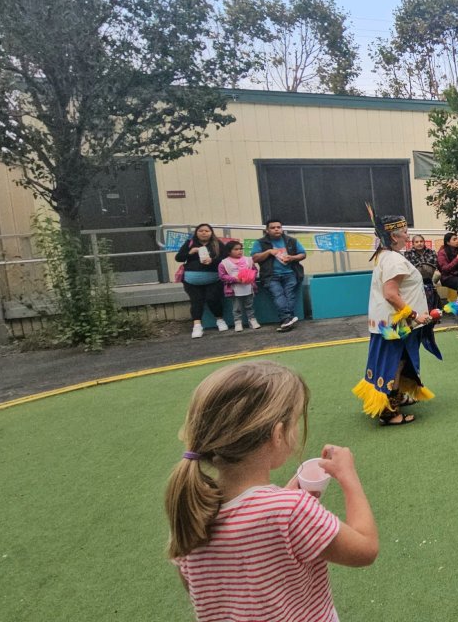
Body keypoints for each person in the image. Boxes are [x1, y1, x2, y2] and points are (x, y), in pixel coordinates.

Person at [165, 361, 378, 621]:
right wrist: (348, 476)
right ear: (278, 434)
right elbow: (365, 549)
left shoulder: (192, 512)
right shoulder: (291, 511)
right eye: (295, 420)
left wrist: (283, 497)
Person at [351, 214, 438, 426]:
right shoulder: (393, 260)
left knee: (400, 360)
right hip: (395, 324)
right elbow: (391, 294)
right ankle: (389, 412)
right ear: (393, 236)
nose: (408, 236)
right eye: (406, 232)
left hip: (391, 323)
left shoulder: (386, 255)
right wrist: (415, 315)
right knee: (396, 363)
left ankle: (394, 398)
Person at [250, 220, 306, 332]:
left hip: (290, 273)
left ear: (282, 228)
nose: (276, 229)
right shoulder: (260, 243)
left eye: (279, 227)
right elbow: (254, 258)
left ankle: (286, 320)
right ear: (267, 230)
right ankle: (287, 318)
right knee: (278, 295)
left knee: (290, 295)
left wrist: (292, 258)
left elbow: (303, 254)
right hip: (270, 275)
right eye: (273, 227)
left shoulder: (291, 240)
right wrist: (269, 252)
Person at [176, 223, 227, 338]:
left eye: (207, 231)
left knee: (212, 299)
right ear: (196, 232)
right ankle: (197, 326)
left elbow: (225, 258)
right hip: (191, 280)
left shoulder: (217, 244)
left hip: (213, 278)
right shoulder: (190, 243)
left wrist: (212, 261)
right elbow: (178, 258)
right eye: (201, 231)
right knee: (196, 301)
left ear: (211, 233)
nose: (204, 233)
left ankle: (220, 320)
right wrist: (190, 252)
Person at [217, 241, 259, 332]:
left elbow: (254, 270)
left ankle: (252, 320)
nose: (239, 251)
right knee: (237, 307)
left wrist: (250, 276)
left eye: (241, 249)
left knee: (249, 305)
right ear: (229, 251)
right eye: (236, 249)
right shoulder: (224, 263)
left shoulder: (249, 260)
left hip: (248, 287)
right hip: (234, 289)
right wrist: (235, 279)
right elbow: (222, 276)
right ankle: (238, 322)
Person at [405, 234, 441, 311]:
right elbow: (409, 268)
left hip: (430, 278)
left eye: (421, 241)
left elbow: (435, 266)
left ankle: (432, 310)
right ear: (413, 244)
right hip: (415, 280)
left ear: (424, 242)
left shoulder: (431, 252)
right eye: (417, 242)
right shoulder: (408, 253)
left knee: (430, 286)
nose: (419, 243)